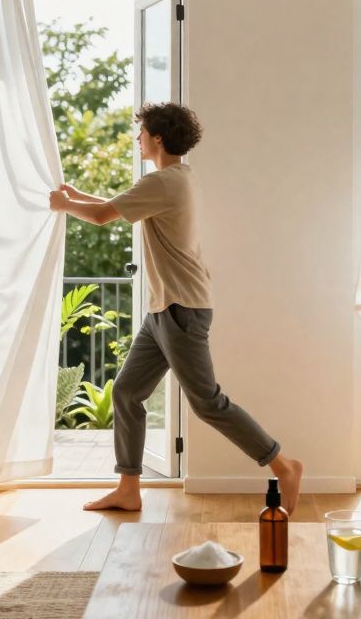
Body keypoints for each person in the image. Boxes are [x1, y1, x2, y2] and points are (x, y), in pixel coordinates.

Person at [49, 102, 304, 513]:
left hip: (181, 309)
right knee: (128, 392)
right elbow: (115, 206)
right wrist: (77, 196)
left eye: (142, 132)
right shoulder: (176, 178)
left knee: (208, 403)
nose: (138, 139)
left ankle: (283, 465)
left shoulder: (163, 183)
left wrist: (62, 205)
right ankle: (129, 488)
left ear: (158, 138)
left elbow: (100, 217)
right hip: (165, 310)